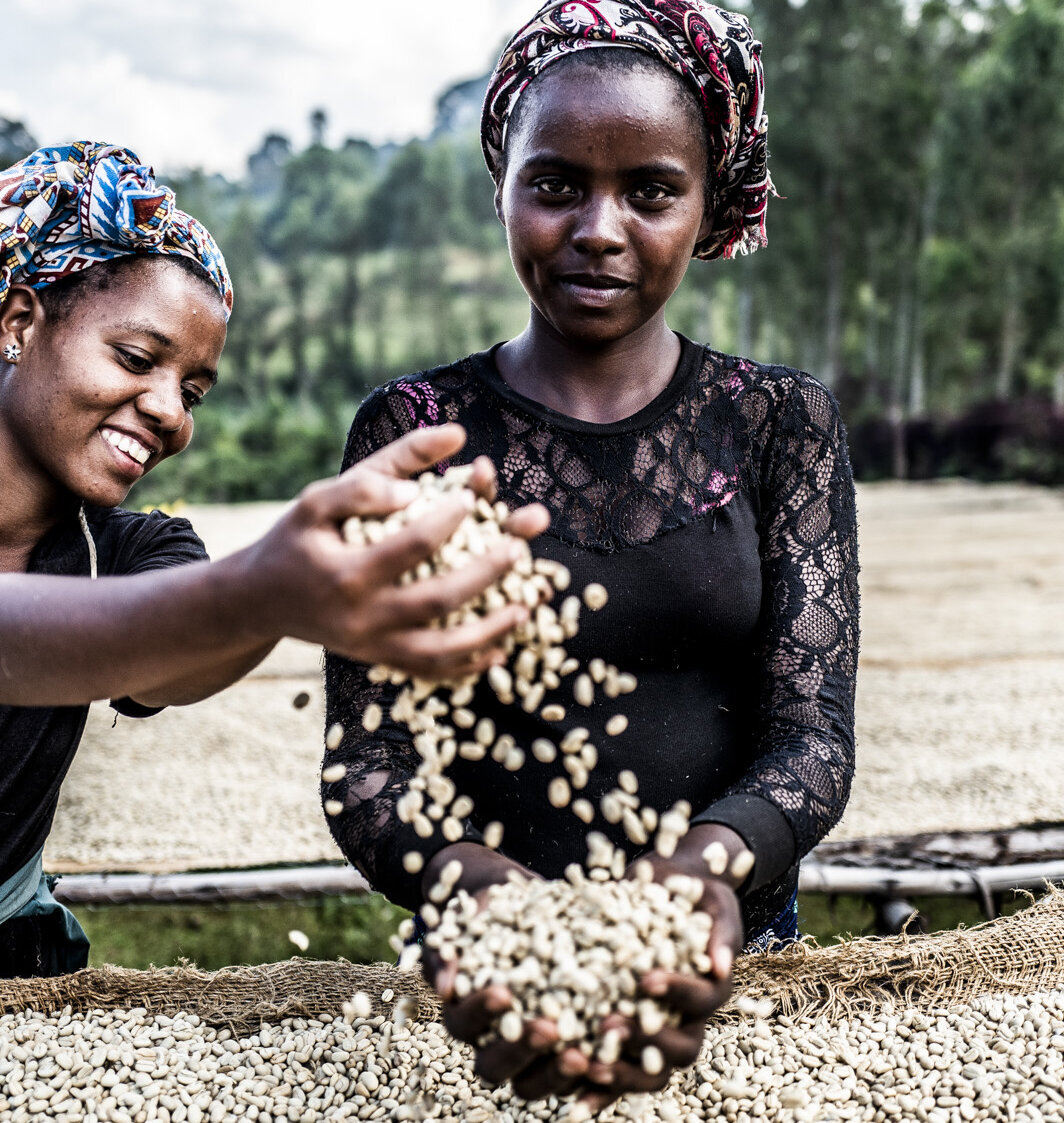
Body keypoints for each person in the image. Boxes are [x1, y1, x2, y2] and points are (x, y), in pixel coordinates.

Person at [0, 142, 545, 989]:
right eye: (136, 358)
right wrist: (265, 584)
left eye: (192, 390)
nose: (167, 412)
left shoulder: (137, 551)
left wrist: (291, 595)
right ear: (17, 322)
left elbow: (179, 660)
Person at [322, 0, 859, 1107]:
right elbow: (368, 761)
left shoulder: (780, 425)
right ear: (504, 185)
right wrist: (470, 888)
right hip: (486, 962)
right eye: (557, 183)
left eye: (650, 191)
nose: (599, 227)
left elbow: (813, 739)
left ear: (707, 202)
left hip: (729, 951)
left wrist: (703, 875)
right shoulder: (414, 432)